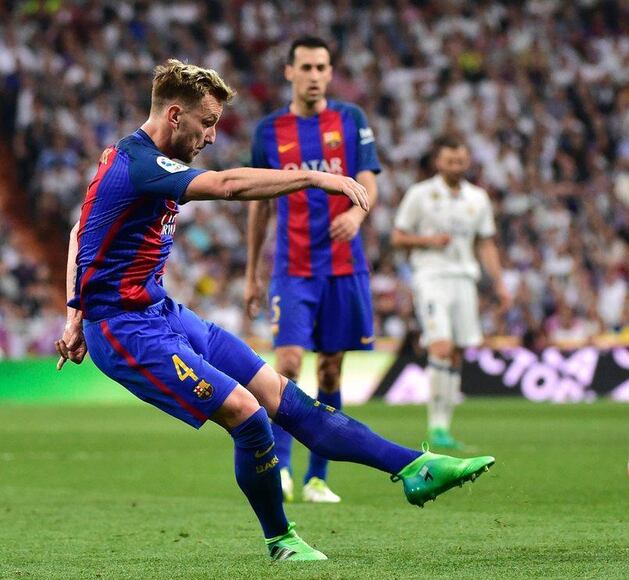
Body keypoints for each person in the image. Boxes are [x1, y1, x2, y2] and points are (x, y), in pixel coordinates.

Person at [54, 60, 494, 562]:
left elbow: (78, 233)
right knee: (247, 413)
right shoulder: (138, 164)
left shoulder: (130, 158)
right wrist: (310, 178)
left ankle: (415, 467)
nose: (212, 136)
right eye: (207, 122)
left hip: (163, 312)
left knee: (281, 394)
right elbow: (225, 187)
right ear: (175, 115)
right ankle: (280, 540)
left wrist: (72, 315)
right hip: (124, 331)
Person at [245, 37, 379, 504]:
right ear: (289, 72)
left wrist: (357, 214)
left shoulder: (351, 120)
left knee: (331, 370)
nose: (315, 74)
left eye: (323, 66)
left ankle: (317, 477)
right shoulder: (268, 131)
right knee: (286, 364)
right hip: (293, 267)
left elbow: (368, 181)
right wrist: (250, 273)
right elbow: (258, 203)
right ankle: (280, 467)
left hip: (344, 268)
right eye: (306, 66)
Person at [391, 136, 511, 449]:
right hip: (430, 276)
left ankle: (445, 425)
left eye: (461, 161)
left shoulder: (478, 198)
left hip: (464, 278)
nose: (456, 166)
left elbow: (485, 242)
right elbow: (398, 236)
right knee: (440, 347)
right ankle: (436, 428)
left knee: (458, 351)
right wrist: (428, 242)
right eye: (450, 161)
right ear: (438, 161)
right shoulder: (420, 195)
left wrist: (498, 282)